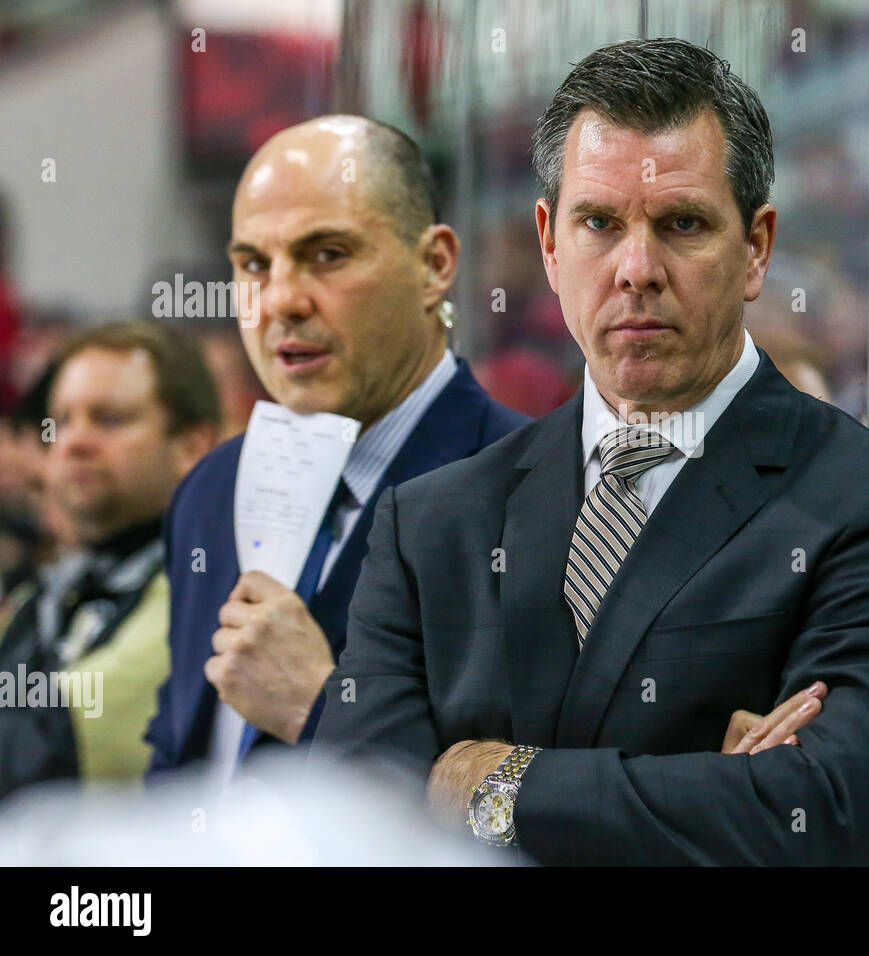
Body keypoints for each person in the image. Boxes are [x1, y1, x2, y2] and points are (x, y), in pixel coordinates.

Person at [313, 38, 869, 866]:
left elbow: (822, 812)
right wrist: (706, 788)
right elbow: (358, 820)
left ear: (757, 249)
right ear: (550, 246)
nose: (637, 269)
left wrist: (490, 785)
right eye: (600, 223)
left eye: (683, 224)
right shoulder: (431, 523)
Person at [145, 116, 528, 781]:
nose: (283, 300)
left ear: (434, 265)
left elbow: (531, 812)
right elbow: (177, 754)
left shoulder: (536, 499)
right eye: (254, 265)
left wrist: (319, 710)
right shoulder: (209, 492)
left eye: (327, 254)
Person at [0, 320, 220, 796]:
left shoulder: (202, 587)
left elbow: (47, 758)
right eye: (60, 422)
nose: (74, 443)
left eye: (109, 419)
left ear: (191, 445)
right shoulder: (47, 592)